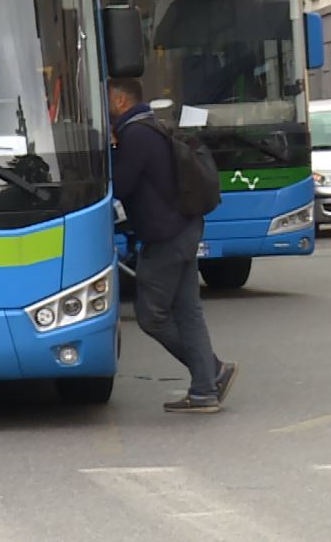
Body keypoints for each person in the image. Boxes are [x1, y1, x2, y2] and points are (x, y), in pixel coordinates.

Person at [109, 78, 236, 414]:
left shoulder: (135, 135)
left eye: (108, 99)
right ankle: (206, 389)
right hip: (185, 228)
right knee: (188, 311)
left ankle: (210, 372)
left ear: (121, 101)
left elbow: (120, 186)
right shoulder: (153, 127)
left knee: (151, 316)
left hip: (166, 238)